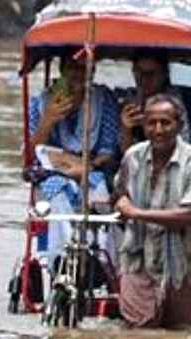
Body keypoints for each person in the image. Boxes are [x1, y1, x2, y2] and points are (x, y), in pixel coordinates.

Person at [113, 94, 191, 330]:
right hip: (137, 261)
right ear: (144, 125)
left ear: (179, 125)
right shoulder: (133, 156)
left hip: (182, 267)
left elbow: (190, 214)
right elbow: (118, 192)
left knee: (183, 336)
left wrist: (136, 213)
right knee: (138, 337)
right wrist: (121, 202)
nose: (158, 130)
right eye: (151, 123)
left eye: (165, 123)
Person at [27, 53, 121, 259]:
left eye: (83, 69)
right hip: (52, 174)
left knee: (98, 188)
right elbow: (31, 153)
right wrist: (48, 120)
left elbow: (108, 150)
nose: (77, 74)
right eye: (72, 68)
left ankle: (103, 256)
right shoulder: (40, 102)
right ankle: (57, 256)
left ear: (92, 71)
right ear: (62, 71)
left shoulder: (104, 101)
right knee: (55, 189)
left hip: (94, 171)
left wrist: (85, 167)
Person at [119, 51, 191, 154]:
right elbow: (127, 156)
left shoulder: (185, 97)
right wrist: (126, 129)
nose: (144, 79)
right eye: (139, 73)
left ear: (164, 73)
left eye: (151, 73)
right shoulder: (129, 102)